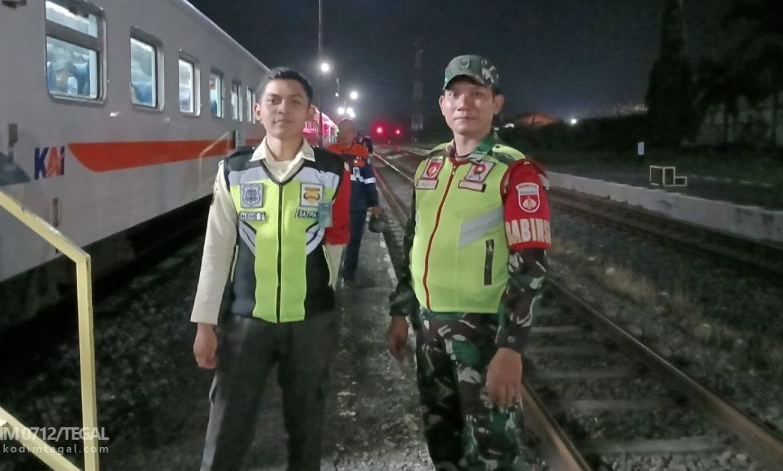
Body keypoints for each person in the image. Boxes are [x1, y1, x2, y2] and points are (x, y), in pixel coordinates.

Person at [386, 55, 551, 470]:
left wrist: (511, 348)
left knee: (490, 453)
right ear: (442, 104)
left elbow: (530, 267)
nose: (465, 103)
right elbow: (414, 243)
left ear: (497, 103)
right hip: (429, 332)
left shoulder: (515, 172)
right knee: (442, 444)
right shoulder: (431, 165)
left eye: (478, 94)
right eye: (455, 94)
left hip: (482, 335)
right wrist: (401, 311)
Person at [191, 67, 351, 471]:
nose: (284, 109)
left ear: (309, 113)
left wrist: (329, 301)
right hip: (247, 321)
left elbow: (336, 241)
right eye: (274, 100)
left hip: (311, 321)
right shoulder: (234, 170)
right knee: (227, 424)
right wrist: (205, 323)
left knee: (307, 426)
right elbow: (217, 247)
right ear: (258, 110)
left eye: (295, 101)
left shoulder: (332, 171)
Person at [327, 118, 382, 285]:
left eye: (348, 131)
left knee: (354, 241)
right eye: (341, 131)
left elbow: (369, 181)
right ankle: (328, 275)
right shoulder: (328, 152)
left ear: (354, 134)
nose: (344, 135)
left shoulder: (362, 153)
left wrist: (374, 203)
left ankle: (348, 274)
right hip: (329, 207)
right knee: (327, 241)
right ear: (337, 133)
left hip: (356, 206)